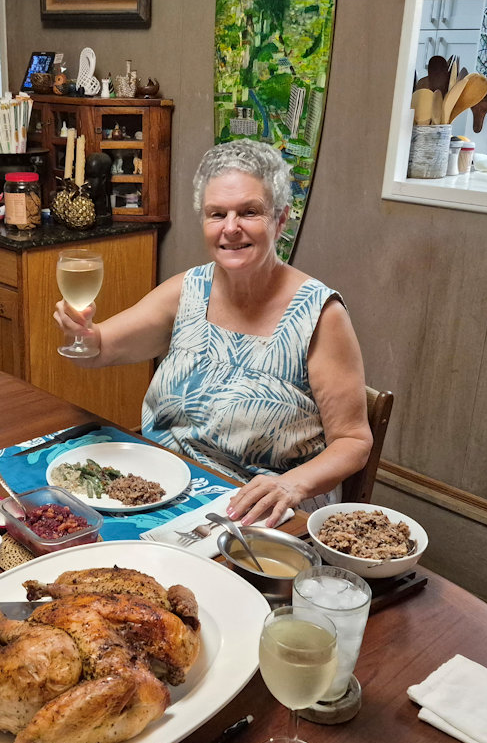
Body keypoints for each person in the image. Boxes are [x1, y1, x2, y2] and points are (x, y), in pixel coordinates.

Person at [53, 139, 372, 527]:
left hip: (260, 511)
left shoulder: (320, 315)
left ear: (281, 220)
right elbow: (100, 348)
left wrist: (291, 485)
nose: (231, 228)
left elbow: (354, 441)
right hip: (160, 488)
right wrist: (81, 333)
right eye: (217, 214)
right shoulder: (187, 291)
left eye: (249, 212)